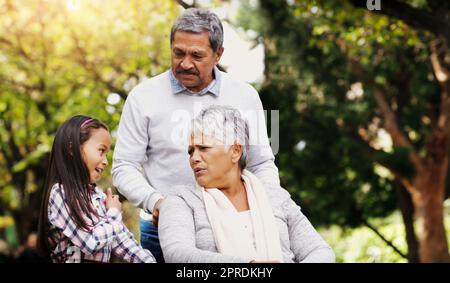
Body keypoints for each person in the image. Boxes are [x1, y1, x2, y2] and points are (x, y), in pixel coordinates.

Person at [112, 8, 281, 263]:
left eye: (197, 55)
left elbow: (262, 163)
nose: (185, 63)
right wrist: (156, 202)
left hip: (236, 227)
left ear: (218, 54)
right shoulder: (142, 97)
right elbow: (124, 166)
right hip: (162, 232)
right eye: (178, 53)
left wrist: (269, 210)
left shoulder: (245, 96)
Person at [158, 106, 335, 263]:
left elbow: (320, 251)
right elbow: (178, 254)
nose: (194, 158)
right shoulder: (180, 201)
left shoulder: (275, 196)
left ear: (235, 151)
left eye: (204, 148)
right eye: (191, 151)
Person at [37, 115, 155, 263]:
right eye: (101, 150)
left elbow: (123, 241)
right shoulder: (60, 193)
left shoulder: (97, 197)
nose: (105, 161)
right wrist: (113, 213)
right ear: (72, 148)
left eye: (107, 154)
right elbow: (90, 243)